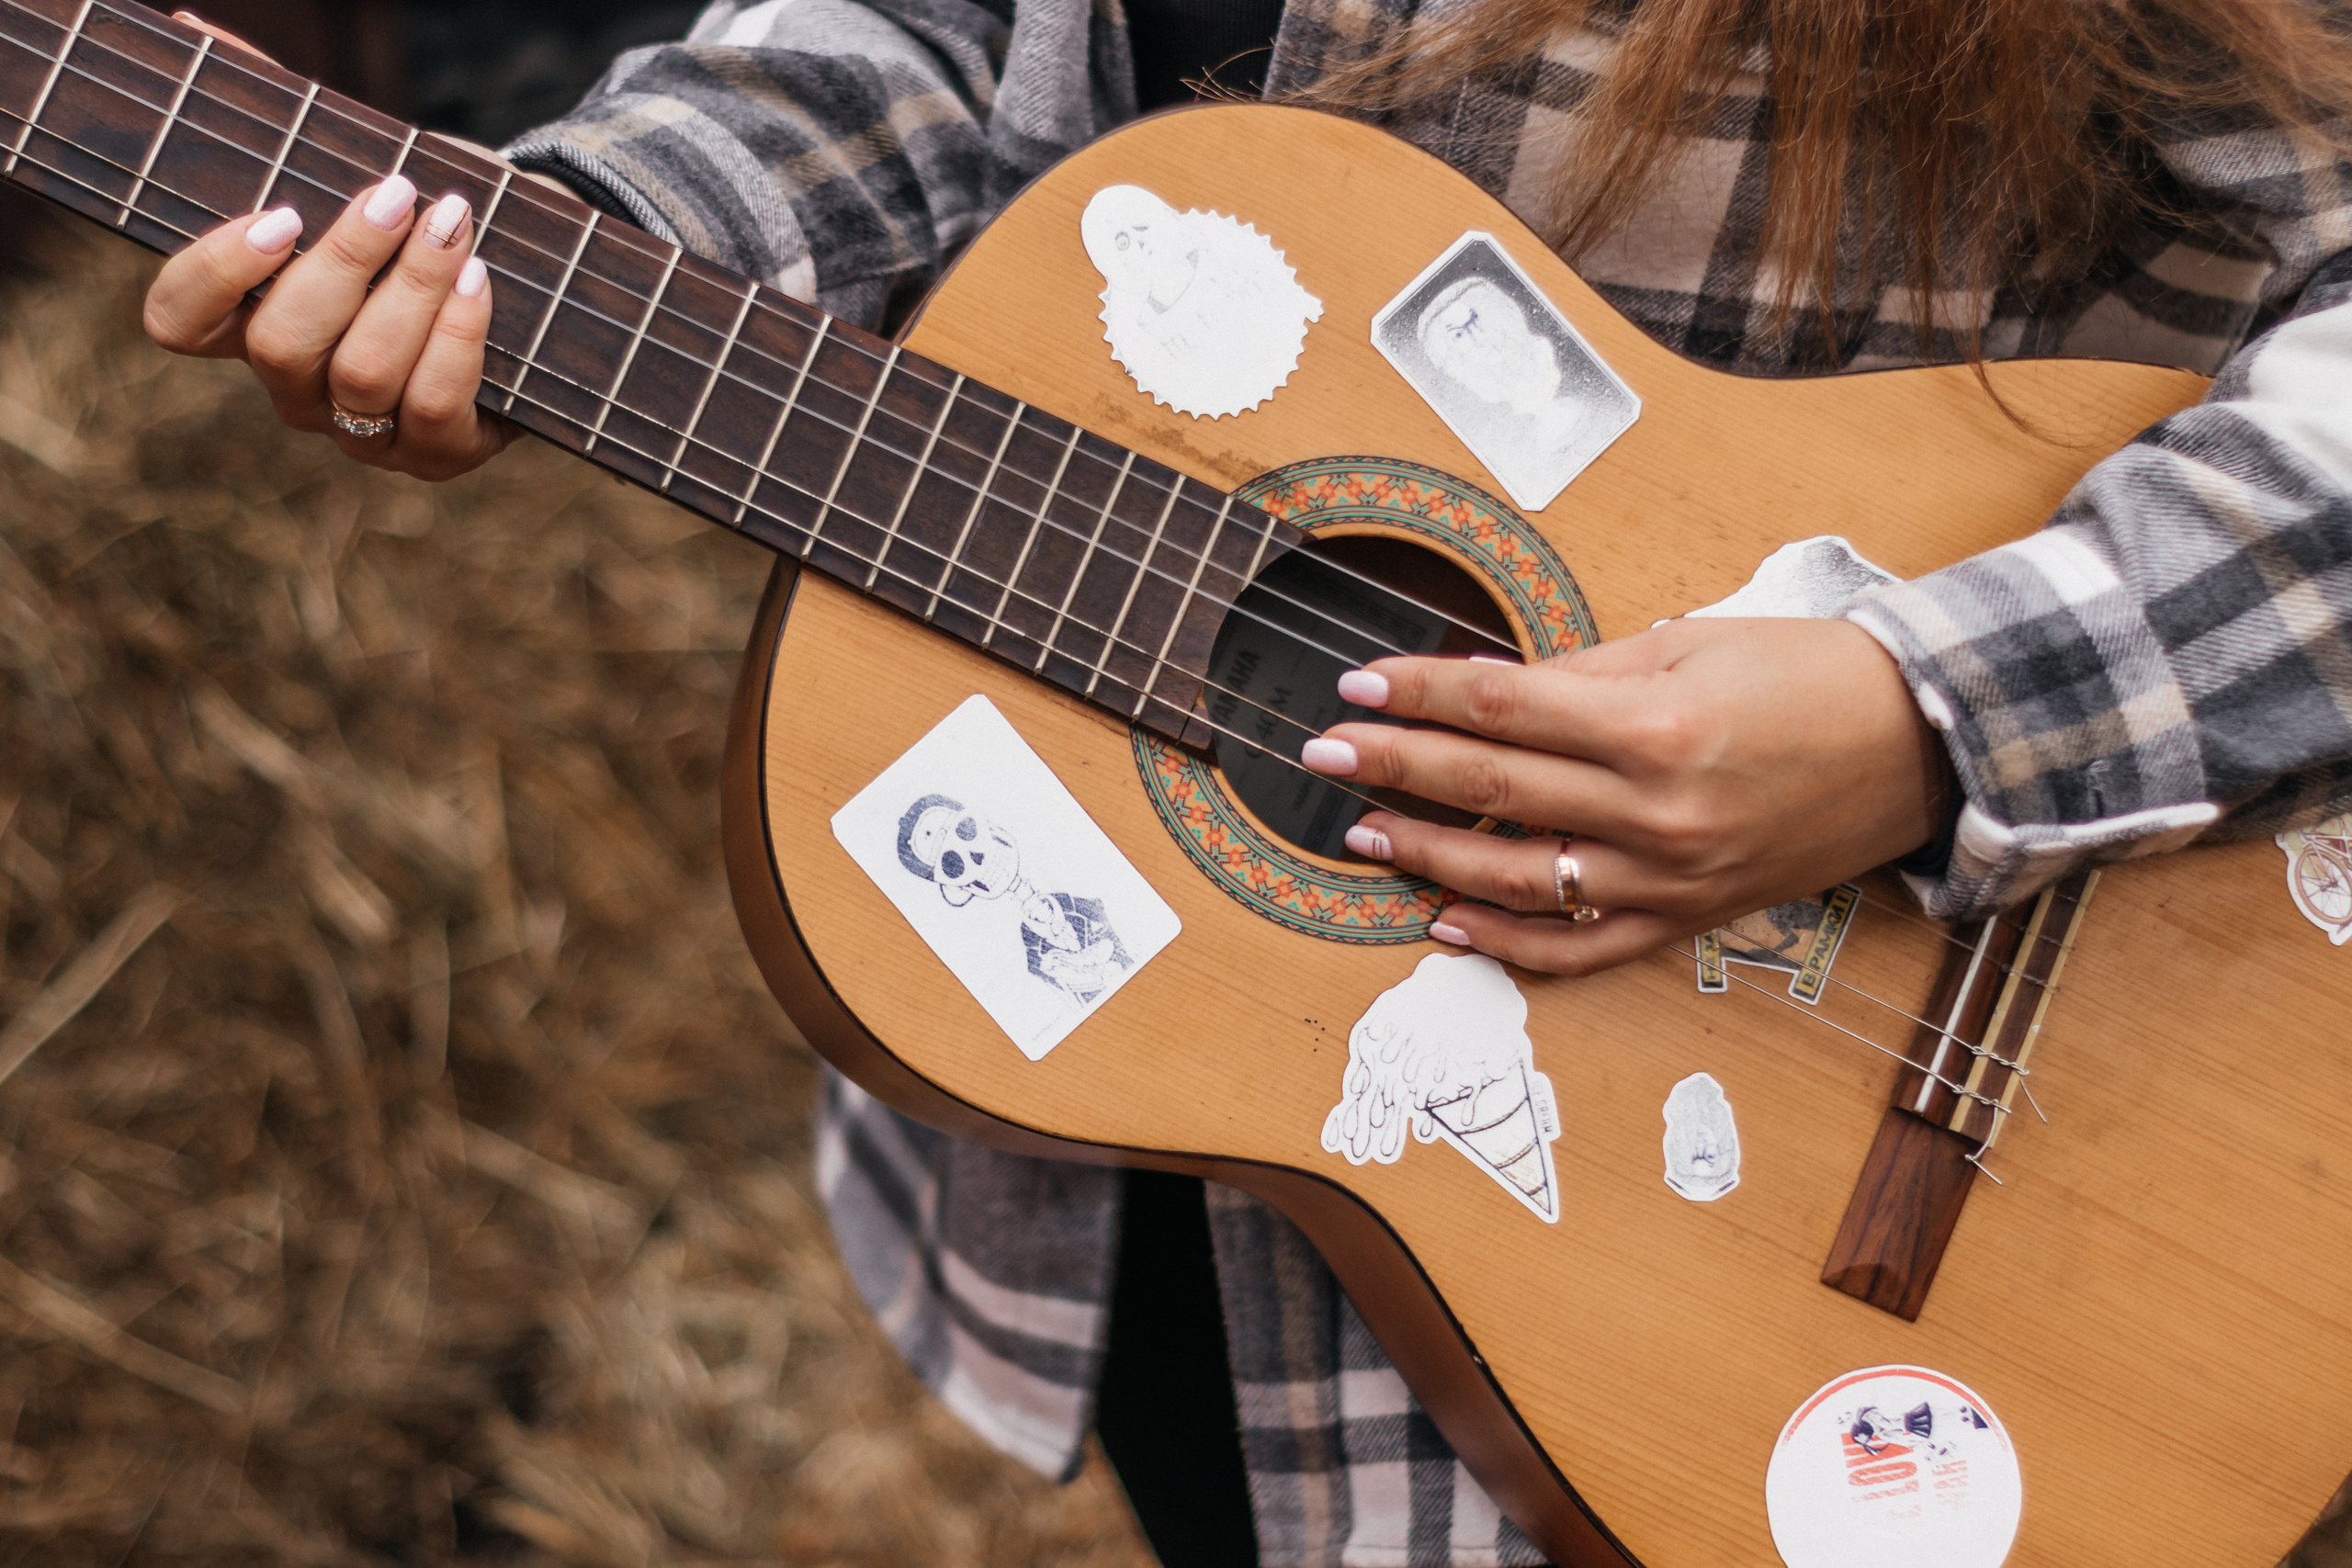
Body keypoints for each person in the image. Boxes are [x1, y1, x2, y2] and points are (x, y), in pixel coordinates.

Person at [140, 0, 2352, 1562]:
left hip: (1895, 1167)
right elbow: (936, 45)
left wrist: (1928, 708)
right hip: (1161, 1119)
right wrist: (578, 237)